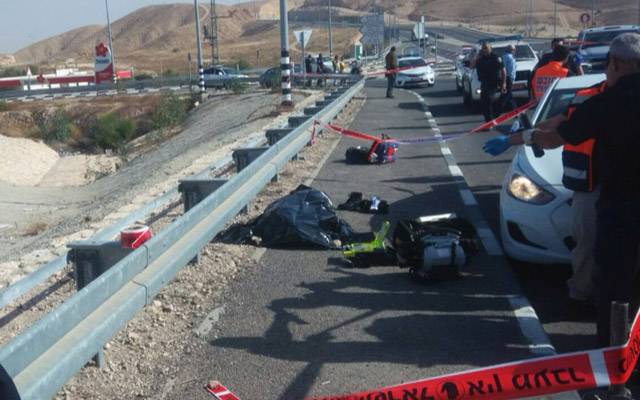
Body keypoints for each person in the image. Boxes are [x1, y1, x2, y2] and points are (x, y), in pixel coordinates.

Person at [485, 33, 640, 347]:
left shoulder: (606, 101)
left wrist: (516, 140)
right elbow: (557, 122)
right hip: (600, 194)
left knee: (615, 282)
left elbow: (556, 135)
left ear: (615, 63)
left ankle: (616, 357)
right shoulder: (593, 96)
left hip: (621, 204)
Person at [471, 42, 507, 122]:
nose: (484, 50)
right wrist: (476, 56)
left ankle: (490, 119)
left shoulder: (495, 57)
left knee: (488, 99)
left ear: (490, 48)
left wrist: (504, 83)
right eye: (483, 48)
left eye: (486, 48)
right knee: (483, 101)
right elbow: (472, 66)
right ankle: (488, 118)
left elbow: (503, 70)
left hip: (494, 82)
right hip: (484, 82)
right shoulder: (480, 58)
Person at [501, 44, 518, 112]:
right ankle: (498, 109)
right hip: (508, 78)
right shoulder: (509, 57)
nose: (515, 51)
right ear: (511, 50)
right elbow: (509, 70)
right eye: (514, 50)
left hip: (507, 78)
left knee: (510, 96)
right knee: (506, 95)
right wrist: (512, 79)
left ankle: (516, 111)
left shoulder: (505, 56)